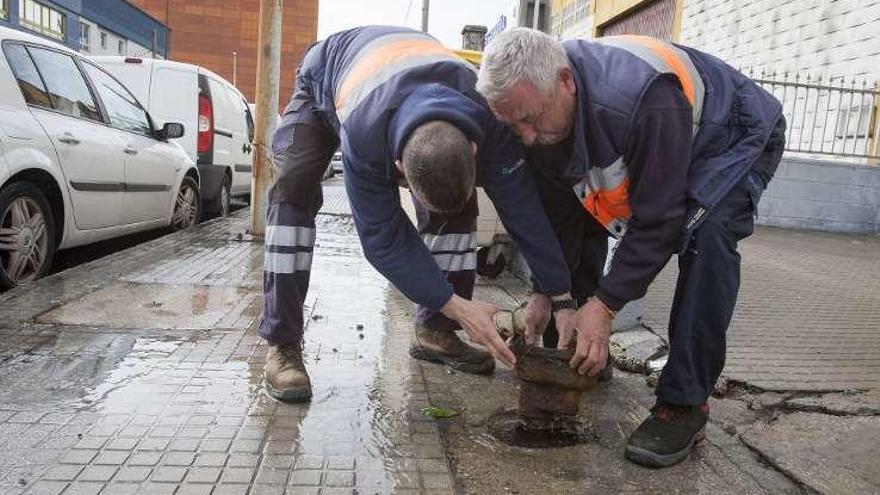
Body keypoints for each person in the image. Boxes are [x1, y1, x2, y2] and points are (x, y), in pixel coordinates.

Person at [476, 28, 786, 467]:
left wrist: (604, 306)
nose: (524, 136)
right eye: (512, 124)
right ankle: (582, 351)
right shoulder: (540, 108)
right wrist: (553, 294)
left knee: (706, 233)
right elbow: (562, 210)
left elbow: (657, 221)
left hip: (733, 133)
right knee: (582, 204)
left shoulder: (641, 101)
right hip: (655, 131)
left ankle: (683, 403)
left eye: (530, 118)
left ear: (566, 81)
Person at [261, 25, 576, 404]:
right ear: (397, 166)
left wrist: (559, 294)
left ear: (474, 150)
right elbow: (383, 240)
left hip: (411, 72)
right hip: (327, 79)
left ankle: (435, 332)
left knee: (457, 209)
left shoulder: (492, 120)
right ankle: (282, 344)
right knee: (293, 187)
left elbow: (525, 210)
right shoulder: (364, 136)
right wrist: (461, 307)